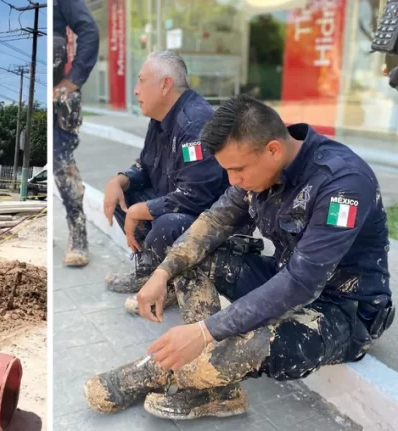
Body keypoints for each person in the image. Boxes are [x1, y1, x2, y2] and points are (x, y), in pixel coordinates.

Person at [84, 95, 394, 420]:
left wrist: (205, 333)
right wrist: (162, 274)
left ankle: (142, 374)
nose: (233, 181)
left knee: (236, 351)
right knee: (186, 255)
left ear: (273, 149)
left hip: (342, 311)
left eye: (237, 170)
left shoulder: (342, 185)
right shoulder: (259, 163)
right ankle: (220, 391)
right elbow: (216, 220)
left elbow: (302, 282)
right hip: (282, 276)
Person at [103, 51, 231, 296]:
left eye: (141, 81)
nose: (135, 91)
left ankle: (172, 280)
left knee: (165, 223)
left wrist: (142, 210)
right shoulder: (160, 119)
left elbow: (197, 195)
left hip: (211, 218)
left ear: (165, 85)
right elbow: (146, 166)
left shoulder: (194, 126)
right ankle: (149, 272)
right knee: (122, 197)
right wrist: (119, 180)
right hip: (178, 202)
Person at [53, 0, 99, 267]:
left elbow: (89, 30)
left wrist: (73, 80)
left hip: (61, 93)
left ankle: (78, 233)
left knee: (62, 162)